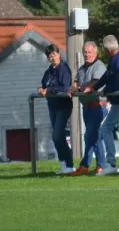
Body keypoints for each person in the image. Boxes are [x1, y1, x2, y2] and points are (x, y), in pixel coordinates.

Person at [83, 35, 119, 175]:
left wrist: (105, 91)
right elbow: (107, 75)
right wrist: (95, 87)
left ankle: (112, 164)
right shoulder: (116, 58)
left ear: (109, 50)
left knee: (106, 128)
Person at [68, 41, 108, 176]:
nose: (87, 55)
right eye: (85, 52)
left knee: (92, 136)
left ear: (95, 53)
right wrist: (72, 89)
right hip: (86, 107)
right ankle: (88, 165)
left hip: (98, 106)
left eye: (89, 52)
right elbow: (75, 83)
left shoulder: (99, 66)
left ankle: (99, 166)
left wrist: (80, 88)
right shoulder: (82, 68)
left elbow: (95, 82)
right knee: (91, 137)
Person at [38, 44, 74, 175]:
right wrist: (40, 90)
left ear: (59, 54)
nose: (53, 58)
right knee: (58, 138)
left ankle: (69, 164)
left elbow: (64, 87)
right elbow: (44, 85)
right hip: (52, 106)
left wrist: (49, 90)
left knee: (57, 135)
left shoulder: (64, 69)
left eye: (55, 54)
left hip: (63, 106)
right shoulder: (48, 72)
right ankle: (64, 164)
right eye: (50, 56)